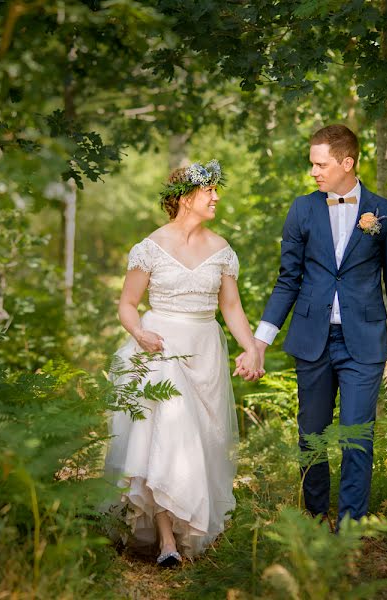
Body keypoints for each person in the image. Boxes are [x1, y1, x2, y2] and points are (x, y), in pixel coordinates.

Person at [239, 124, 387, 528]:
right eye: (312, 164)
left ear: (347, 163)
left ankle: (351, 525)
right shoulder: (302, 209)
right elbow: (288, 281)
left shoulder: (384, 212)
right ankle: (315, 518)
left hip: (364, 343)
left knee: (356, 436)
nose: (314, 171)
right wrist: (261, 342)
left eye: (321, 164)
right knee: (311, 436)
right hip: (312, 340)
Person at [103, 159, 263, 567]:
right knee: (166, 437)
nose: (216, 197)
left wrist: (251, 348)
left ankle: (188, 525)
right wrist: (139, 334)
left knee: (202, 443)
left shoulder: (221, 249)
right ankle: (167, 541)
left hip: (205, 348)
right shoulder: (150, 248)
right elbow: (126, 304)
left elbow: (232, 307)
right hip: (161, 348)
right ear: (185, 197)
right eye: (210, 190)